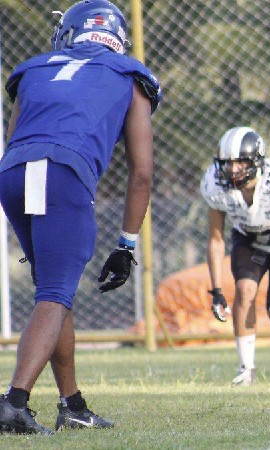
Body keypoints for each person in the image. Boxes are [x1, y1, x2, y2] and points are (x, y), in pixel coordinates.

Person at [0, 0, 161, 435]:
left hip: (12, 174)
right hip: (63, 173)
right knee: (55, 292)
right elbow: (142, 172)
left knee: (54, 289)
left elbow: (15, 141)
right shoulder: (130, 75)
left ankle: (72, 405)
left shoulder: (34, 68)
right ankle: (13, 402)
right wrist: (127, 244)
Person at [200, 126, 270, 386]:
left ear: (256, 161)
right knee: (244, 292)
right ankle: (246, 369)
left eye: (240, 161)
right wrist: (216, 289)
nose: (232, 169)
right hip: (250, 238)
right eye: (228, 163)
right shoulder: (214, 183)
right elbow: (215, 239)